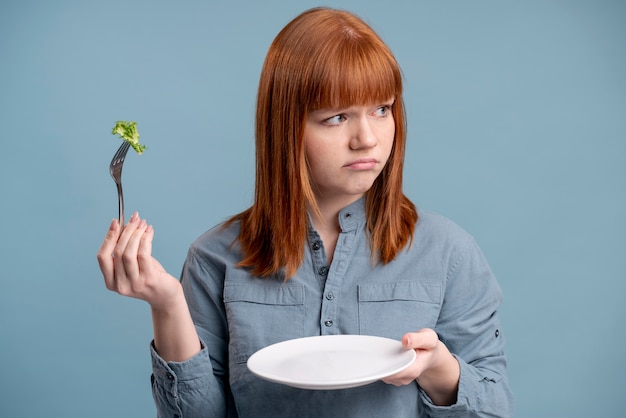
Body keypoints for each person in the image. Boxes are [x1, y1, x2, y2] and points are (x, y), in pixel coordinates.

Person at [97, 7, 514, 418]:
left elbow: (496, 410)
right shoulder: (214, 259)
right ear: (286, 126)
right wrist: (167, 305)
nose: (367, 138)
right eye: (336, 117)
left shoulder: (448, 252)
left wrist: (439, 368)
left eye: (382, 109)